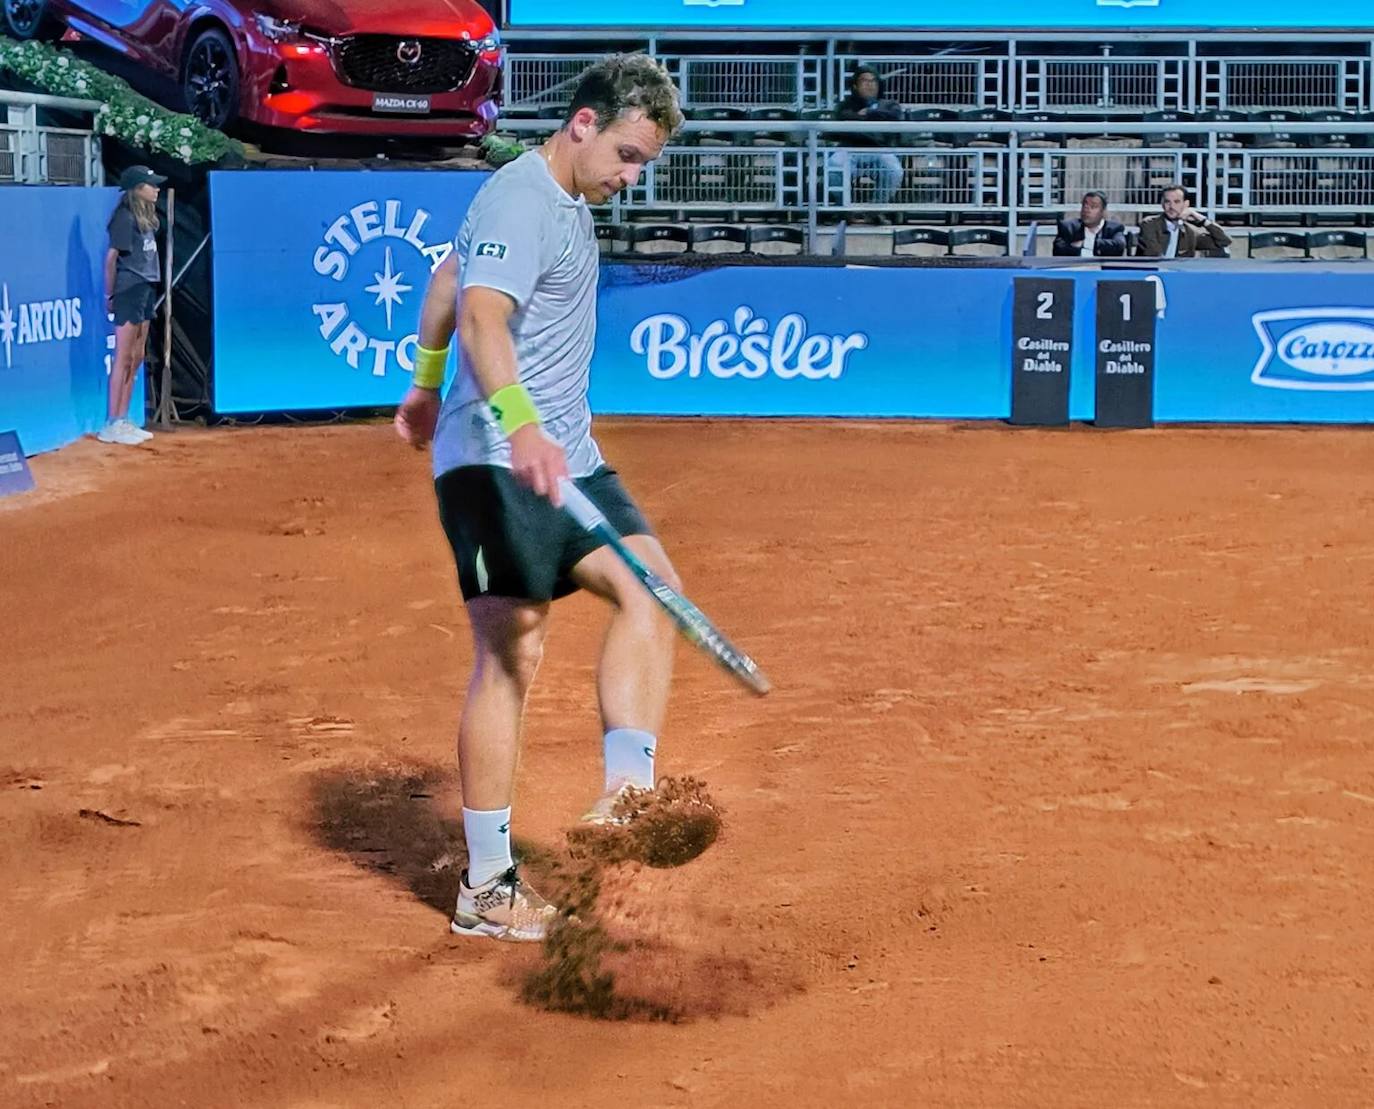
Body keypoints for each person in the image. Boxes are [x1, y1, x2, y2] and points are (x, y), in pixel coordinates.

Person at [393, 54, 686, 943]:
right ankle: (486, 886)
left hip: (565, 452)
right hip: (495, 456)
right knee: (513, 650)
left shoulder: (555, 202)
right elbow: (482, 310)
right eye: (629, 156)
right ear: (584, 123)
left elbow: (445, 283)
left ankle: (628, 792)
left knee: (652, 587)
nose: (631, 179)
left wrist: (422, 379)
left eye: (644, 165)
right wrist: (517, 423)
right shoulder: (525, 198)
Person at [100, 165, 165, 446]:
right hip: (128, 289)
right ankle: (112, 423)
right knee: (123, 357)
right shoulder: (124, 218)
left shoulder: (147, 218)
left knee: (137, 356)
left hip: (146, 288)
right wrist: (109, 295)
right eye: (151, 185)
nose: (157, 189)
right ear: (137, 189)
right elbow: (111, 259)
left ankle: (124, 419)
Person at [831, 66, 904, 222]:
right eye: (864, 81)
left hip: (880, 150)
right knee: (834, 166)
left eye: (873, 81)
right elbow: (842, 116)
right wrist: (873, 123)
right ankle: (844, 210)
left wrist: (869, 113)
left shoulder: (889, 104)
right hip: (849, 149)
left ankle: (875, 212)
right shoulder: (846, 104)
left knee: (894, 170)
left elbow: (895, 117)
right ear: (855, 85)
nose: (870, 85)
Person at [1136, 184, 1233, 259]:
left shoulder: (1190, 231)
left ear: (1186, 204)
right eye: (1167, 202)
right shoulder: (1149, 224)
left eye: (1176, 202)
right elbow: (1155, 255)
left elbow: (1224, 241)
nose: (1171, 207)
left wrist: (1201, 219)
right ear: (1162, 204)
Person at [1052, 190, 1127, 257]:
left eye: (1093, 206)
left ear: (1103, 212)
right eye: (1084, 205)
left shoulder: (1114, 228)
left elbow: (1119, 245)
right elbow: (1058, 250)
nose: (1086, 210)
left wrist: (1086, 243)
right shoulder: (1069, 227)